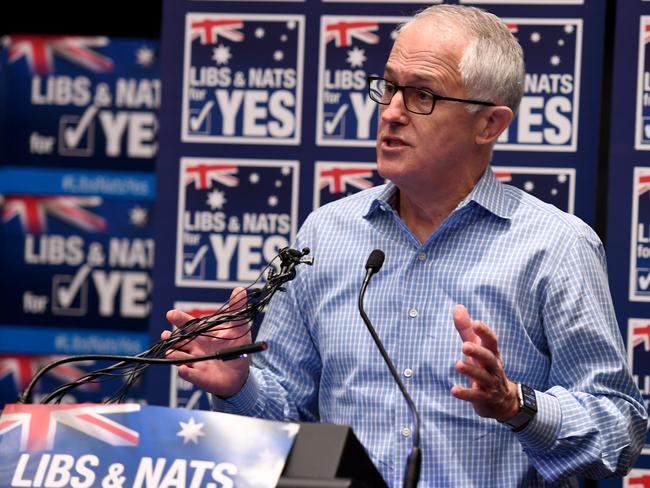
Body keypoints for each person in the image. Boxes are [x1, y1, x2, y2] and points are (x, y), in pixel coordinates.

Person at [163, 5, 648, 486]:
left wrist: (515, 403)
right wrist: (240, 384)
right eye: (390, 87)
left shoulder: (555, 247)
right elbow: (288, 417)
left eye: (422, 95)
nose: (392, 111)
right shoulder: (327, 234)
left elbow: (620, 431)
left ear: (490, 124)